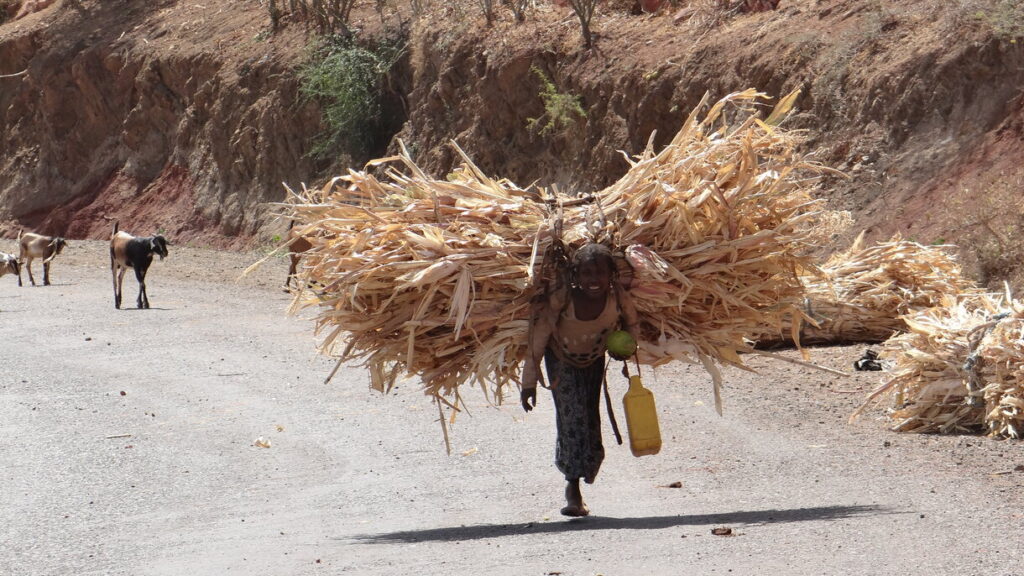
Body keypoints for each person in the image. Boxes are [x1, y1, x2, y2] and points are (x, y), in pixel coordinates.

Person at [520, 242, 639, 517]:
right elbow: (538, 339)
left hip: (593, 360)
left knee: (589, 416)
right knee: (571, 418)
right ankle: (572, 488)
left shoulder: (617, 296)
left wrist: (628, 348)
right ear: (576, 276)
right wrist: (529, 382)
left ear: (611, 275)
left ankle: (588, 466)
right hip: (561, 361)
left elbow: (632, 323)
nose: (593, 280)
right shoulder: (563, 299)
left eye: (599, 273)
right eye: (586, 273)